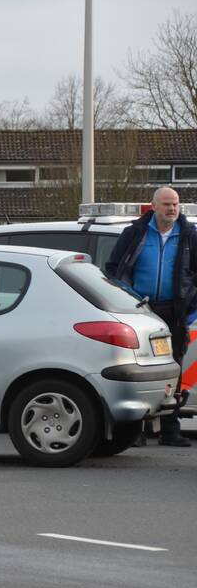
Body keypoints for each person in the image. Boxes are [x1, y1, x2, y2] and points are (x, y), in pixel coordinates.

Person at [106, 186, 195, 447]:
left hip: (174, 311)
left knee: (173, 370)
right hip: (141, 311)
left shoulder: (189, 236)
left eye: (175, 204)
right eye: (166, 204)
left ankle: (170, 428)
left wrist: (190, 308)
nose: (172, 209)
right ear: (153, 206)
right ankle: (138, 430)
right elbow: (114, 269)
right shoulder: (135, 233)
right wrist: (125, 299)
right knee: (139, 368)